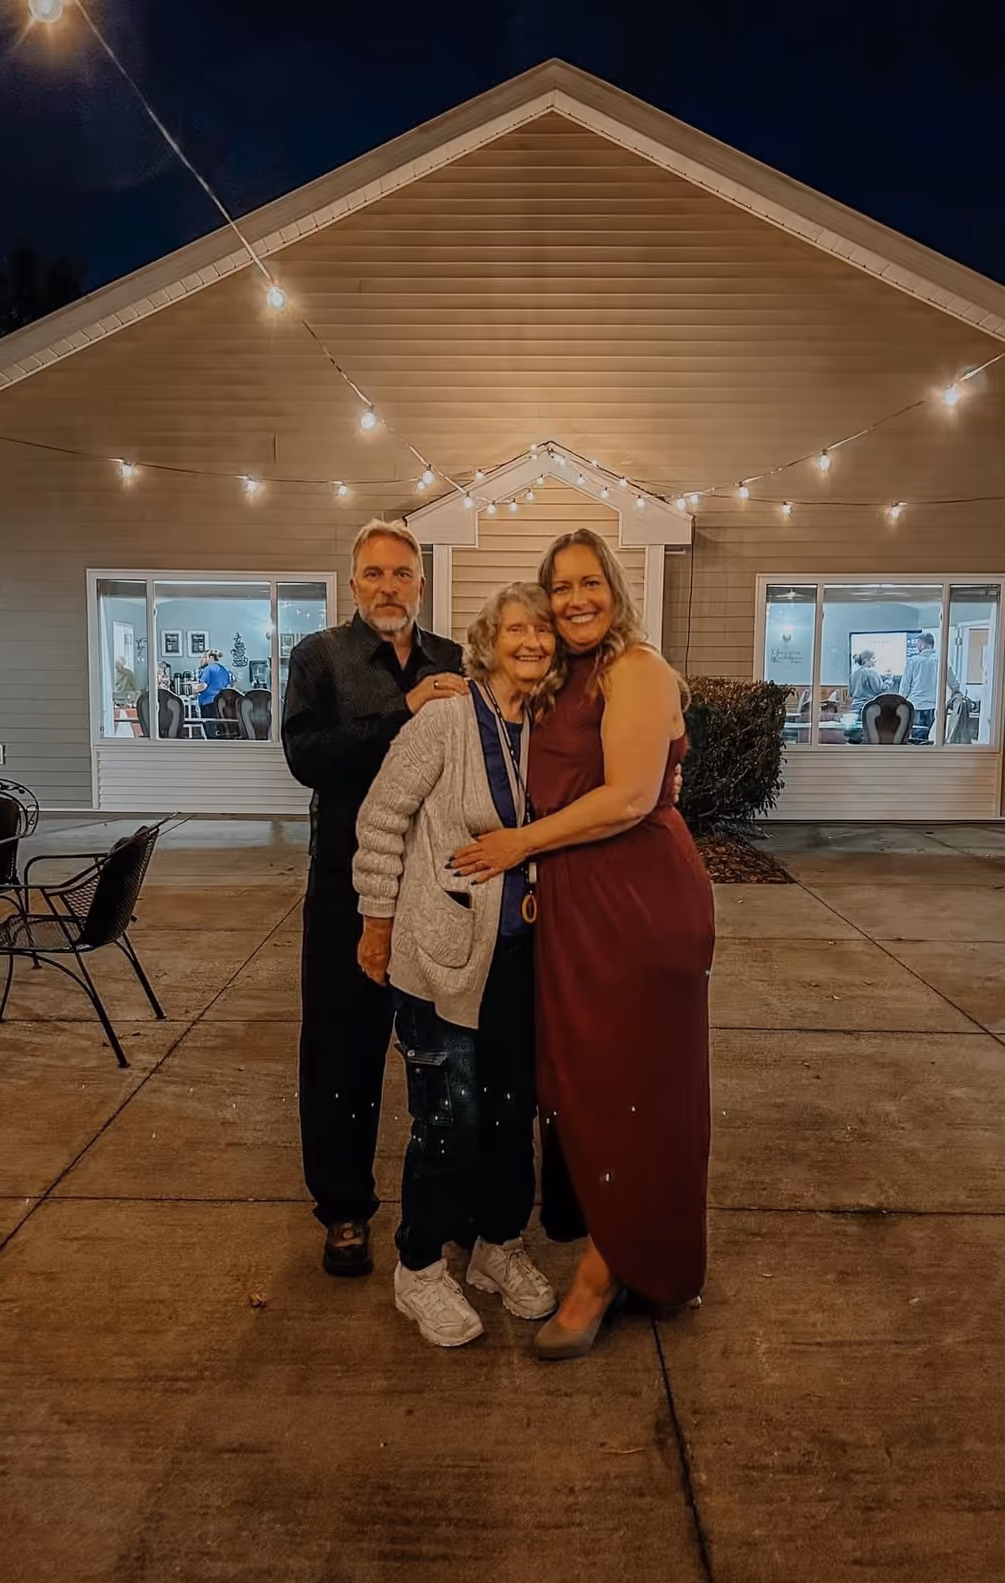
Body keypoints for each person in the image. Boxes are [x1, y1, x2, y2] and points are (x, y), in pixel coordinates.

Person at [453, 527, 714, 1360]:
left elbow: (631, 796)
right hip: (575, 904)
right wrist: (438, 691)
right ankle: (633, 1246)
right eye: (559, 586)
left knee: (637, 1086)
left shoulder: (635, 668)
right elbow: (499, 707)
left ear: (615, 588)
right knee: (582, 1082)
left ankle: (607, 1272)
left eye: (589, 583)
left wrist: (518, 846)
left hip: (637, 899)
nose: (574, 600)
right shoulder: (563, 674)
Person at [353, 584, 559, 1346]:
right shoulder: (444, 720)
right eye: (517, 630)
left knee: (512, 1119)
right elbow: (380, 820)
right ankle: (419, 1268)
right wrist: (376, 925)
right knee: (451, 1120)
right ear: (488, 640)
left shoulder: (546, 725)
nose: (533, 642)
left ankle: (495, 1247)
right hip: (440, 956)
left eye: (543, 631)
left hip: (523, 959)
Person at [282, 519, 465, 1277]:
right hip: (345, 887)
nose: (388, 586)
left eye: (401, 573)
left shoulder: (453, 659)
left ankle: (447, 1204)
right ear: (352, 583)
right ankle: (345, 1210)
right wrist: (404, 711)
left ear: (420, 583)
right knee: (341, 1053)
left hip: (439, 886)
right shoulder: (319, 657)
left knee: (446, 1054)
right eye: (373, 574)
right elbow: (306, 759)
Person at [899, 631, 959, 734]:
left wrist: (901, 701)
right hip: (935, 706)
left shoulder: (913, 661)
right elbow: (954, 683)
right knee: (931, 736)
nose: (917, 645)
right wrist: (955, 693)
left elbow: (905, 686)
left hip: (916, 705)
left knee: (916, 736)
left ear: (923, 644)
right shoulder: (942, 660)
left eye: (918, 643)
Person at [193, 649, 232, 739]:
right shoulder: (225, 670)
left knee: (210, 731)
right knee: (221, 730)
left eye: (204, 657)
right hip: (222, 704)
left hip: (208, 703)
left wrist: (194, 688)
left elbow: (203, 686)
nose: (202, 660)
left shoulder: (208, 669)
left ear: (210, 658)